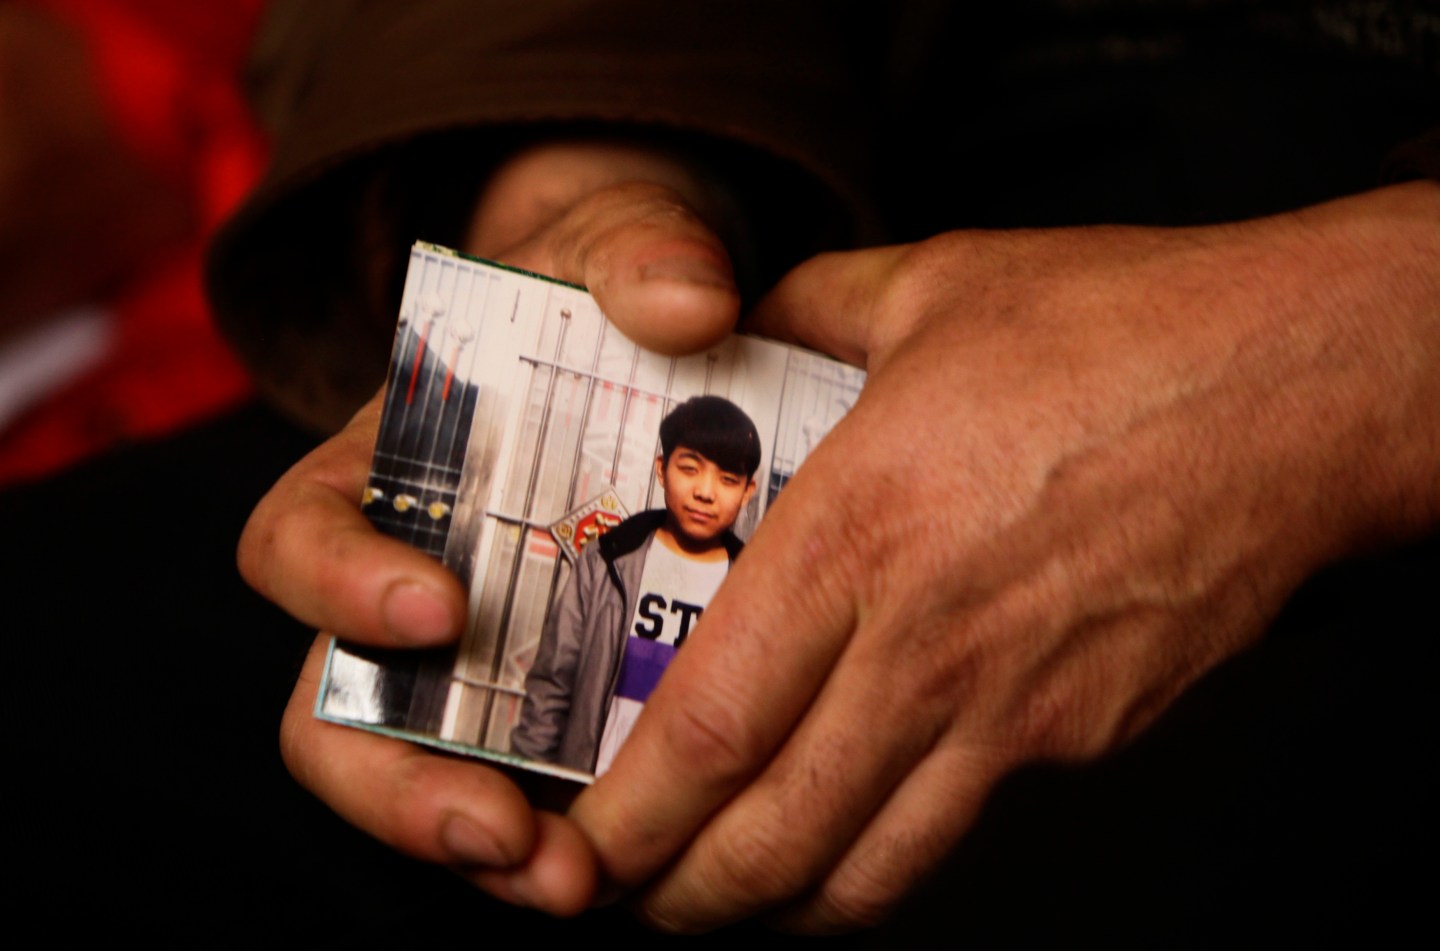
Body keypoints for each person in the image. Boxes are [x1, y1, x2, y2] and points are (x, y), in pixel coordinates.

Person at [217, 1, 1440, 935]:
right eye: (685, 474)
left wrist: (1363, 346)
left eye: (717, 484)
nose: (700, 497)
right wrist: (577, 190)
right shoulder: (614, 547)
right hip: (816, 190)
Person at [512, 395, 760, 775]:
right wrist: (530, 784)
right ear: (661, 469)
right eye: (690, 468)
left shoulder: (756, 589)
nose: (706, 492)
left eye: (727, 480)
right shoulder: (606, 559)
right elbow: (552, 685)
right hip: (590, 786)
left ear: (748, 492)